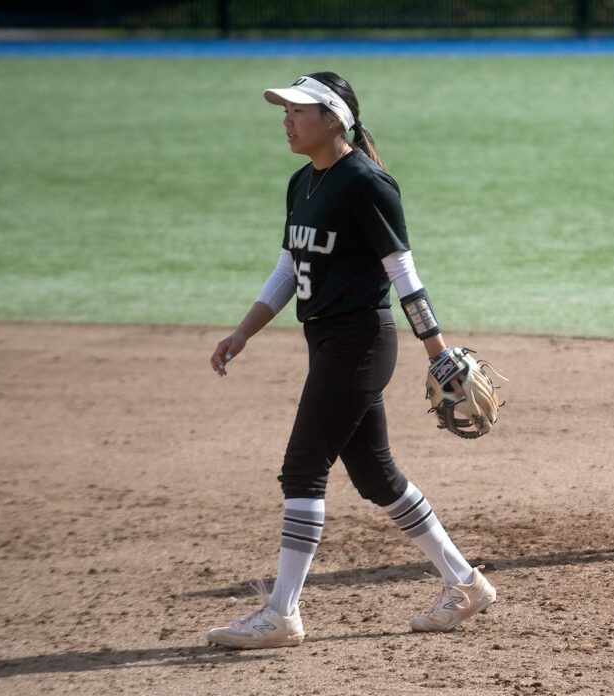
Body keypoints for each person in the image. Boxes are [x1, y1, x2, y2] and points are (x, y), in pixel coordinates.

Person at [206, 72, 496, 649]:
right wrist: (244, 331)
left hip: (361, 341)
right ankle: (465, 583)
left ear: (334, 118)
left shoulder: (368, 182)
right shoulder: (302, 183)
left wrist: (436, 349)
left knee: (303, 467)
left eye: (297, 111)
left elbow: (402, 274)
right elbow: (291, 267)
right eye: (284, 111)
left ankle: (282, 613)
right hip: (329, 343)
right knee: (374, 474)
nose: (286, 120)